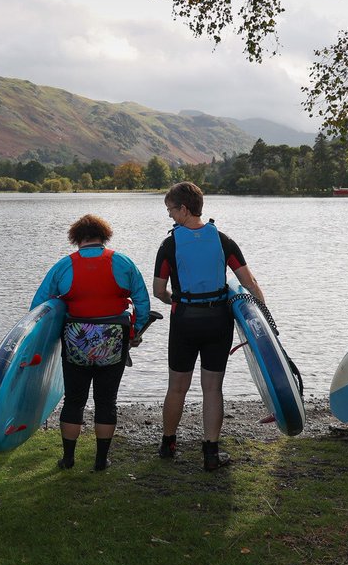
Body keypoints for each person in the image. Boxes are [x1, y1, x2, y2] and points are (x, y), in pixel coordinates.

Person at [153, 181, 266, 471]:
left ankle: (168, 444)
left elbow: (158, 290)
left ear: (184, 209)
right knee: (212, 389)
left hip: (184, 321)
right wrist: (263, 315)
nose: (169, 216)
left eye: (171, 210)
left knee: (177, 387)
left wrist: (172, 301)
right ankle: (211, 454)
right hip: (217, 321)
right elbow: (249, 282)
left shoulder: (169, 244)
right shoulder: (223, 240)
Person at [31, 214, 150, 472]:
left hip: (76, 342)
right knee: (107, 401)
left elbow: (39, 307)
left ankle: (68, 459)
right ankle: (100, 460)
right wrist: (136, 331)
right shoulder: (122, 262)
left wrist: (43, 343)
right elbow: (142, 301)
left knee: (74, 400)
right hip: (114, 340)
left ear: (77, 238)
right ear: (103, 236)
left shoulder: (64, 266)